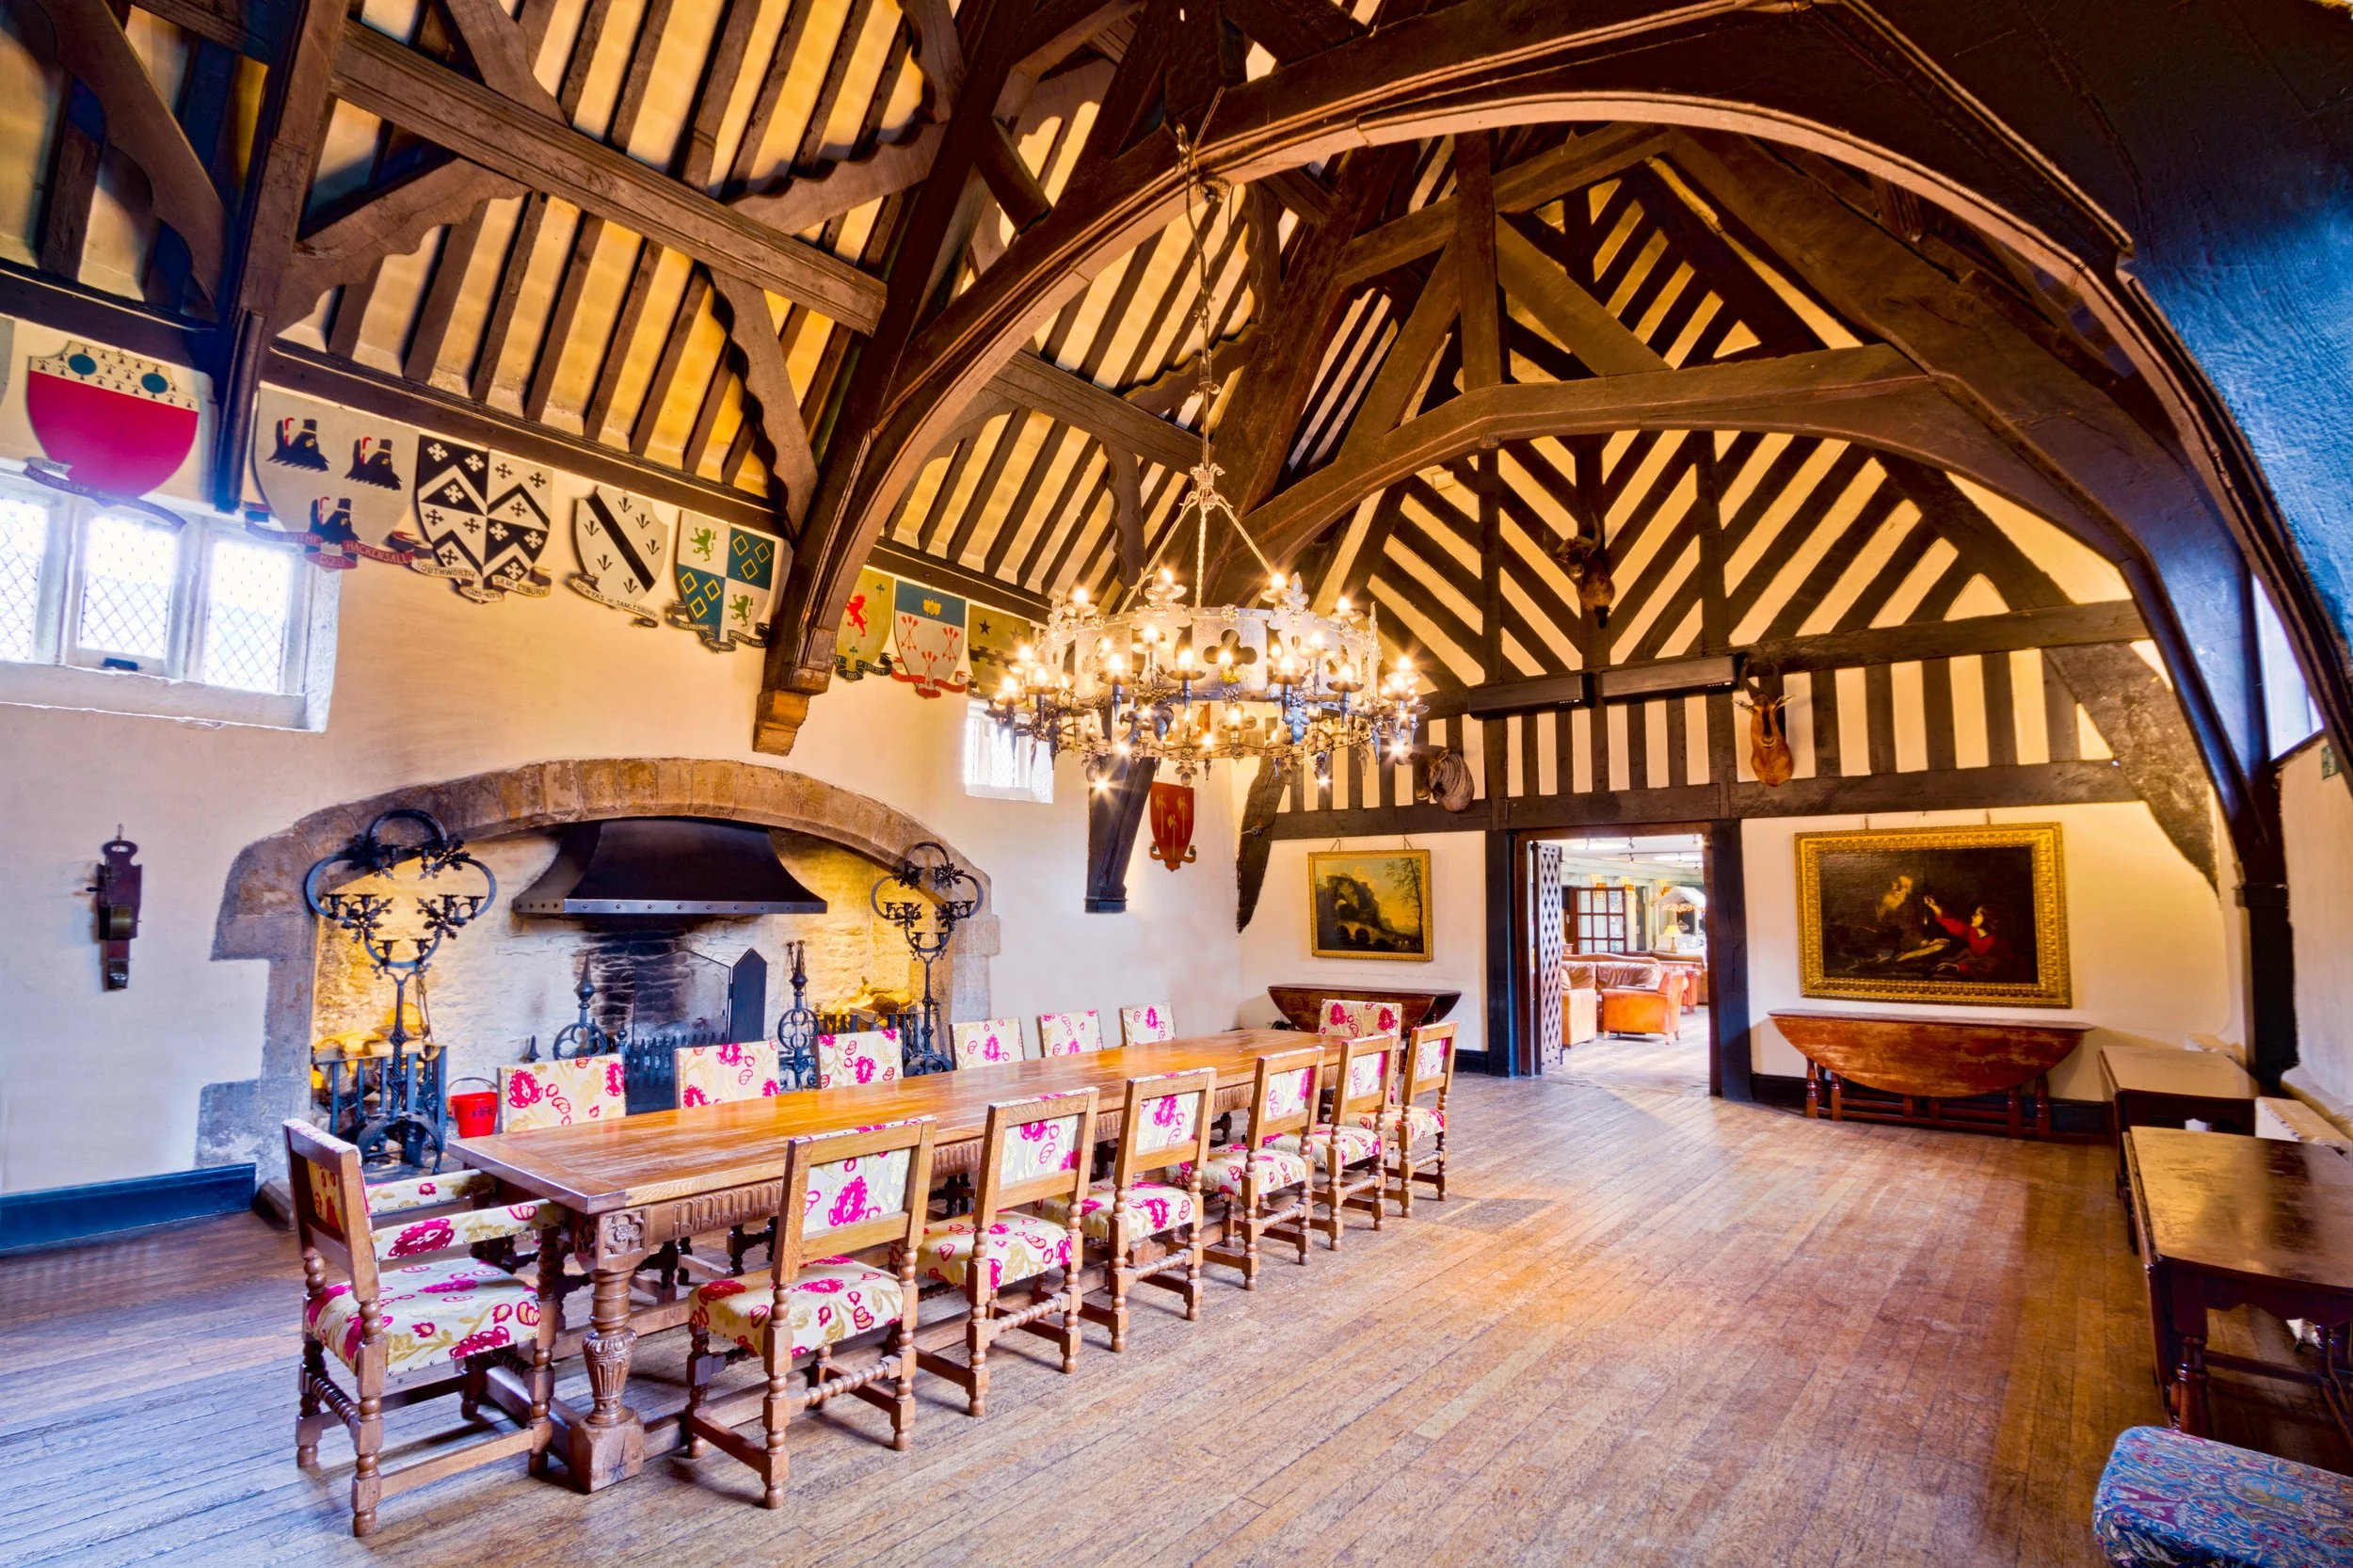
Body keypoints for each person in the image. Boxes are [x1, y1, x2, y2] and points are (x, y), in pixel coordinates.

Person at [1922, 895, 2015, 980]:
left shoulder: (1996, 942)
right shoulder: (1973, 932)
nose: (1972, 916)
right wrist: (1934, 906)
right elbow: (1954, 923)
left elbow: (1989, 968)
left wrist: (1957, 967)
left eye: (1977, 914)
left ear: (1989, 918)